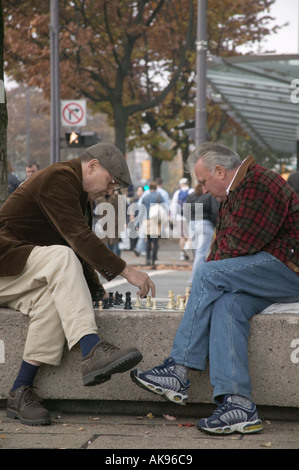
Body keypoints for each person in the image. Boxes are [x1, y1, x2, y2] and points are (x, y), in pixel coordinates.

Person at [131, 142, 299, 435]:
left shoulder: (259, 184)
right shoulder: (238, 191)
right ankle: (238, 404)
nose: (204, 190)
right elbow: (222, 247)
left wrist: (203, 284)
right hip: (268, 271)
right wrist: (202, 293)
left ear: (220, 171)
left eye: (204, 181)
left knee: (208, 276)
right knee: (227, 305)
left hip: (289, 269)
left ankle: (178, 369)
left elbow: (238, 246)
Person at [0, 142, 155, 426]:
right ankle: (91, 348)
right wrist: (127, 271)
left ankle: (20, 391)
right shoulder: (58, 178)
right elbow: (78, 240)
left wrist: (95, 292)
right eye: (110, 183)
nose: (110, 191)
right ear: (92, 166)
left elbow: (78, 252)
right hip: (5, 262)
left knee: (52, 301)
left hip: (16, 272)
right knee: (61, 256)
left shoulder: (76, 192)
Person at [186, 184, 219, 285]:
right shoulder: (210, 195)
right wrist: (216, 224)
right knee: (201, 253)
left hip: (192, 223)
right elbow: (215, 211)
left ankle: (202, 277)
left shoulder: (191, 195)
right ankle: (194, 278)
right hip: (205, 223)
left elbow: (186, 210)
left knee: (198, 253)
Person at [142, 181, 166, 267]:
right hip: (156, 220)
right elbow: (164, 207)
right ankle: (153, 260)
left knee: (148, 240)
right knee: (155, 241)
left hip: (147, 220)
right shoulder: (159, 196)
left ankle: (147, 259)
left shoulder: (145, 197)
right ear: (156, 187)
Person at [169, 177, 193, 261]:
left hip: (179, 217)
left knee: (182, 237)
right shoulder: (192, 191)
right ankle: (190, 252)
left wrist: (173, 218)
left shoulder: (177, 193)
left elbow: (173, 207)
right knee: (191, 235)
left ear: (181, 184)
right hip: (189, 217)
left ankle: (182, 255)